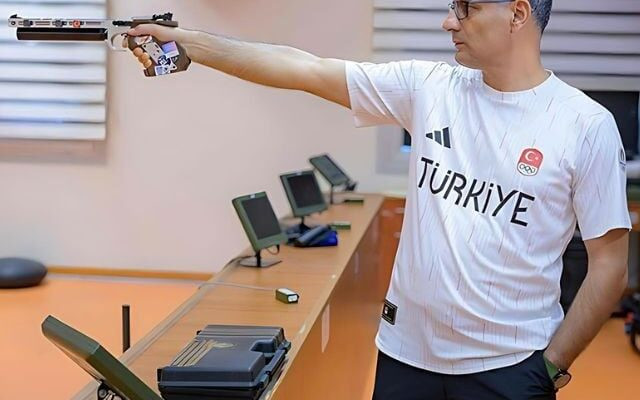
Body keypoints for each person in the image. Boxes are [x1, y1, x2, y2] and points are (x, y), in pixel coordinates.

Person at [126, 1, 631, 398]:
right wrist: (188, 42)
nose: (447, 22)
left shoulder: (584, 125)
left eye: (466, 7)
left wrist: (549, 368)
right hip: (404, 357)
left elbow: (609, 264)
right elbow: (301, 67)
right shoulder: (430, 88)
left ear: (518, 13)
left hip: (510, 368)